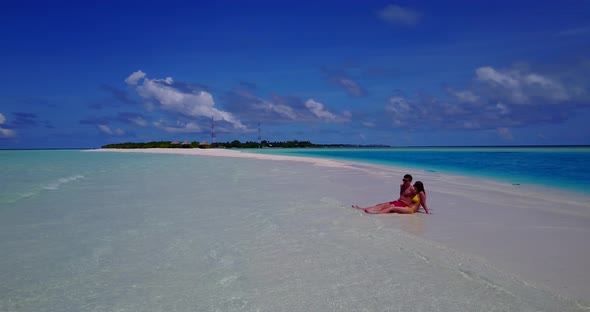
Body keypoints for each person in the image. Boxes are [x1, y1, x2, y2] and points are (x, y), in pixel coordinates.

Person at [353, 179, 430, 214]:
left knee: (391, 208)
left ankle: (375, 213)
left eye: (415, 187)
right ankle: (363, 209)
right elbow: (416, 203)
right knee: (383, 205)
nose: (414, 188)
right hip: (407, 207)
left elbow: (423, 203)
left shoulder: (421, 193)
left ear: (419, 187)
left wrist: (427, 211)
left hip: (411, 210)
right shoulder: (417, 192)